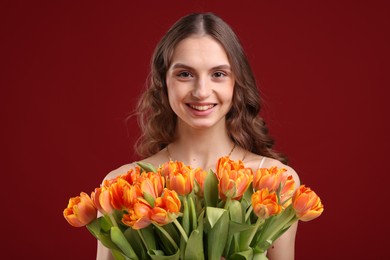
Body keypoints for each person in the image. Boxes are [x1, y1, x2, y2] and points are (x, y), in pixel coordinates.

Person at [97, 12, 300, 260]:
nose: (202, 92)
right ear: (163, 81)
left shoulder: (274, 181)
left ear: (236, 82)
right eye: (185, 74)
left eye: (218, 74)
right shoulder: (122, 186)